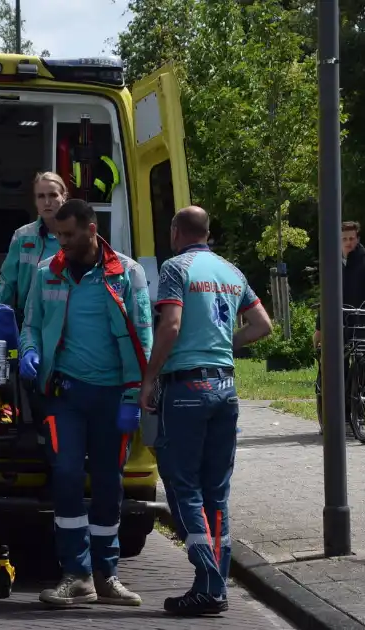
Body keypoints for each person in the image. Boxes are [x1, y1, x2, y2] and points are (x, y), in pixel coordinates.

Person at [138, 206, 273, 616]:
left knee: (182, 486)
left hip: (187, 389)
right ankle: (212, 585)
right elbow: (262, 325)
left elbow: (171, 325)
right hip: (225, 387)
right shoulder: (232, 272)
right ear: (208, 232)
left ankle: (210, 582)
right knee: (217, 492)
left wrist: (150, 376)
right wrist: (221, 346)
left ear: (176, 232)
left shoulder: (177, 268)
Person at [19, 198, 153, 607]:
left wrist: (136, 394)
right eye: (58, 235)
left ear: (92, 230)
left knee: (110, 482)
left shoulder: (127, 274)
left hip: (114, 398)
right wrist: (29, 351)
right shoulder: (48, 274)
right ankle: (76, 574)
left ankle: (107, 575)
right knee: (66, 476)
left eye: (69, 235)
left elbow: (143, 336)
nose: (62, 242)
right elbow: (31, 324)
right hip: (66, 396)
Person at [312, 220, 365, 434]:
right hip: (337, 324)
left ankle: (360, 415)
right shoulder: (331, 264)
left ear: (358, 239)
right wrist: (320, 328)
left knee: (362, 368)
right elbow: (325, 297)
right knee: (335, 369)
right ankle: (334, 417)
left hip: (361, 321)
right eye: (344, 239)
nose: (348, 243)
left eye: (352, 238)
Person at [0, 171, 66, 318]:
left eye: (53, 195)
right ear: (35, 201)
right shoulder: (22, 237)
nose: (47, 202)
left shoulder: (76, 237)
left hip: (67, 321)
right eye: (41, 196)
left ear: (64, 197)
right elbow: (7, 281)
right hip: (28, 321)